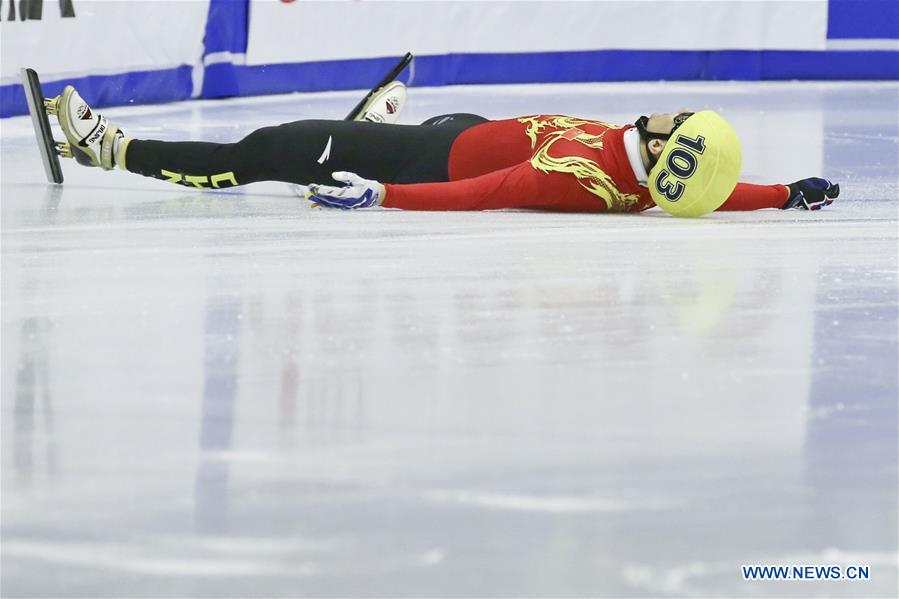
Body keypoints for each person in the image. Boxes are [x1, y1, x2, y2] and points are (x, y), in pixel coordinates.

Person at [45, 83, 839, 214]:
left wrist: (382, 193)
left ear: (670, 141)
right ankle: (381, 125)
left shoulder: (583, 168)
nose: (670, 110)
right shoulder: (652, 168)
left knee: (268, 147)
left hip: (424, 167)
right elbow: (707, 192)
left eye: (681, 115)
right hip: (458, 137)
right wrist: (778, 193)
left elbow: (486, 195)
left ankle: (103, 148)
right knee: (458, 116)